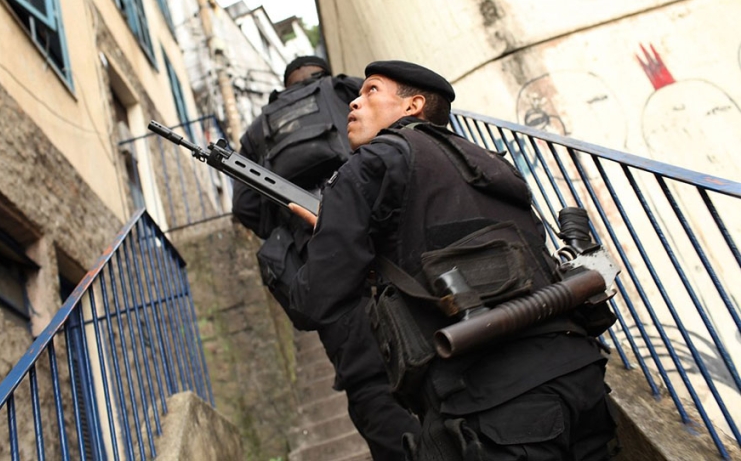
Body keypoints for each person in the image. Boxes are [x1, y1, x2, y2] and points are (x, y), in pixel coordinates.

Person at [288, 60, 618, 460]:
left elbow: (315, 299)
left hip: (497, 400)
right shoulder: (489, 162)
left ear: (412, 106)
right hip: (581, 373)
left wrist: (327, 235)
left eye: (371, 90)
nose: (354, 103)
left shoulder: (372, 162)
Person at [232, 56, 420, 461]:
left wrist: (294, 218)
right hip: (387, 242)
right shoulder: (347, 91)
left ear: (285, 86)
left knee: (370, 388)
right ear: (322, 73)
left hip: (323, 267)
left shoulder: (258, 130)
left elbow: (246, 208)